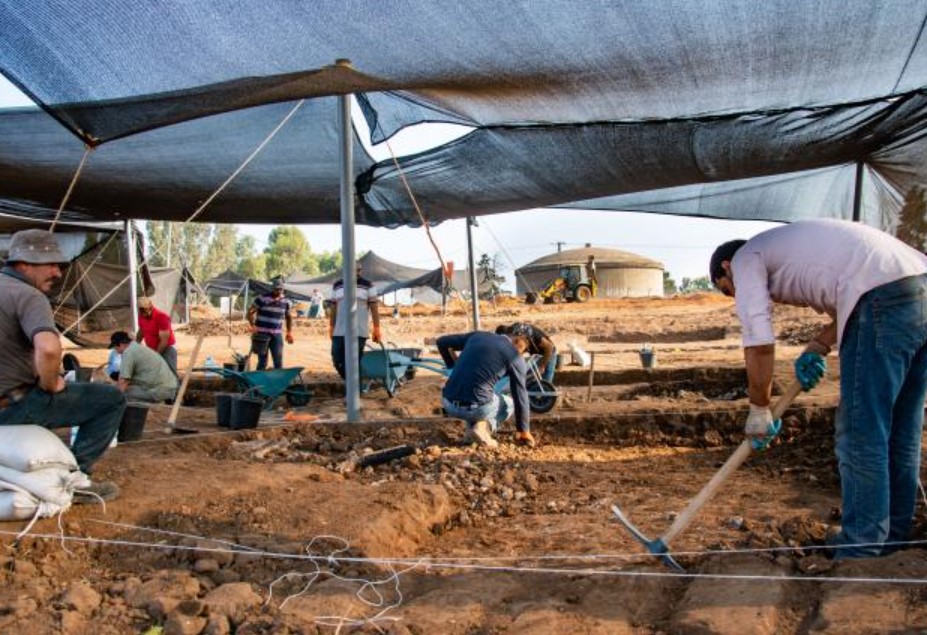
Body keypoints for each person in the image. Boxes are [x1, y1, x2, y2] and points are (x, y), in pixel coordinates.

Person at [709, 219, 927, 560]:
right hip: (918, 288)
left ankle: (862, 545)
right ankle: (893, 538)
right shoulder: (786, 248)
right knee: (901, 429)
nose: (733, 295)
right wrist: (818, 346)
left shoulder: (744, 258)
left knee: (861, 431)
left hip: (881, 296)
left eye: (727, 289)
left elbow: (759, 340)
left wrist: (759, 408)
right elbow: (857, 295)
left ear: (726, 267)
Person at [0, 229, 123, 501]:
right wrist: (51, 383)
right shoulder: (29, 296)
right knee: (111, 400)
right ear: (24, 264)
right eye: (52, 264)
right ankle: (74, 479)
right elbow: (48, 348)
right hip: (13, 407)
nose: (57, 273)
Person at [437, 329, 535, 448]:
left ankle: (470, 433)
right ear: (517, 344)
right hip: (478, 409)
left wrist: (453, 367)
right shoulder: (515, 358)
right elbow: (520, 395)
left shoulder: (478, 336)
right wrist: (524, 430)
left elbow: (441, 342)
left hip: (449, 404)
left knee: (480, 395)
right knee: (509, 403)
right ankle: (484, 428)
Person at [328, 265, 381, 380]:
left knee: (353, 362)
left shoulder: (369, 286)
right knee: (337, 359)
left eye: (357, 271)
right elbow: (333, 308)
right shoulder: (337, 286)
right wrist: (331, 326)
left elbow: (374, 308)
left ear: (359, 272)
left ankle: (354, 392)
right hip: (339, 330)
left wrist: (376, 328)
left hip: (359, 331)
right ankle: (354, 386)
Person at [109, 331, 179, 404]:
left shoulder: (129, 352)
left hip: (161, 390)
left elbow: (123, 382)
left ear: (120, 344)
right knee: (126, 389)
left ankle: (143, 411)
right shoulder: (136, 347)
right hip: (167, 387)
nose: (116, 351)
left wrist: (112, 401)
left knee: (124, 394)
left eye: (115, 348)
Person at [247, 276, 294, 370]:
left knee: (278, 361)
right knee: (262, 362)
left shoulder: (286, 302)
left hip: (276, 335)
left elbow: (288, 317)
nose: (279, 291)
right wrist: (253, 326)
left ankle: (278, 383)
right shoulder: (261, 299)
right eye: (277, 289)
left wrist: (289, 332)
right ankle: (259, 382)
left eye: (280, 289)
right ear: (273, 288)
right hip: (262, 335)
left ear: (283, 289)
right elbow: (249, 313)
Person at [136, 296, 178, 373]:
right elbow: (141, 330)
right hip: (152, 349)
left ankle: (175, 385)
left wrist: (156, 355)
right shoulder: (141, 316)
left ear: (151, 306)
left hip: (167, 349)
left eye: (145, 310)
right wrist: (135, 344)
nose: (143, 313)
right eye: (141, 310)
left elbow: (164, 341)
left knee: (170, 373)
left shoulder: (162, 317)